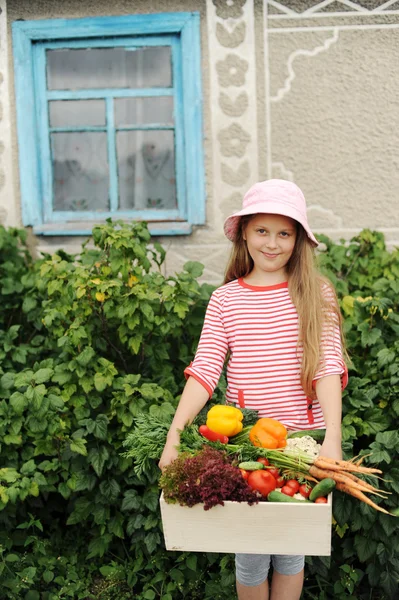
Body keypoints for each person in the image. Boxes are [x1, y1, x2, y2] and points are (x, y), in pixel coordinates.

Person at [159, 179, 348, 600]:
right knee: (250, 556)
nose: (272, 243)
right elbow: (204, 373)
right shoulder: (225, 300)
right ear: (244, 233)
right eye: (262, 230)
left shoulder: (315, 294)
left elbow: (328, 369)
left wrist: (331, 439)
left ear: (298, 239)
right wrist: (174, 436)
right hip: (246, 450)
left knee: (290, 555)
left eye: (284, 233)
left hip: (301, 446)